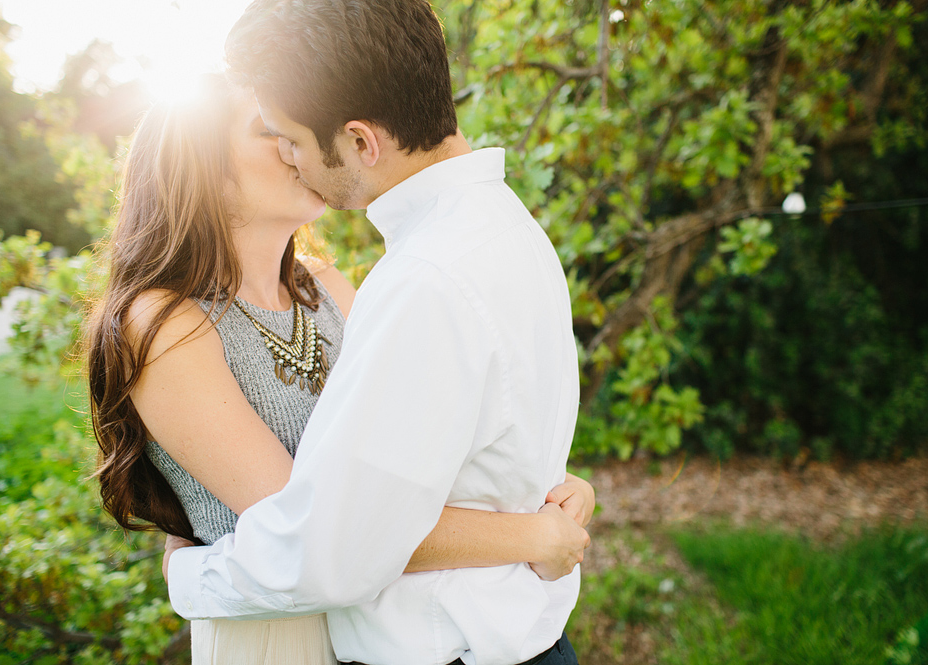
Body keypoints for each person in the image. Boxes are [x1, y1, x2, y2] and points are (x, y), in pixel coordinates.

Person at [85, 74, 592, 665]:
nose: (297, 144)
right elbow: (328, 530)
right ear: (201, 165)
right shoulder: (167, 325)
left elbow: (421, 466)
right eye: (269, 130)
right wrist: (530, 534)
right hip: (278, 635)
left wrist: (540, 490)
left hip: (385, 625)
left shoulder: (328, 288)